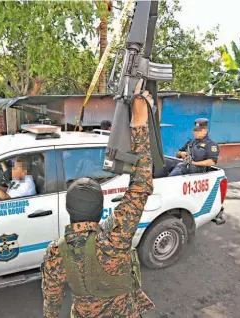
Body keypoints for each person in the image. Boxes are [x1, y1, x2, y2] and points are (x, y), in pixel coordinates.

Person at [41, 79, 155, 318]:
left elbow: (52, 304)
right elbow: (141, 186)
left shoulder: (56, 253)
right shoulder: (115, 235)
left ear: (69, 209)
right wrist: (139, 123)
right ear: (101, 208)